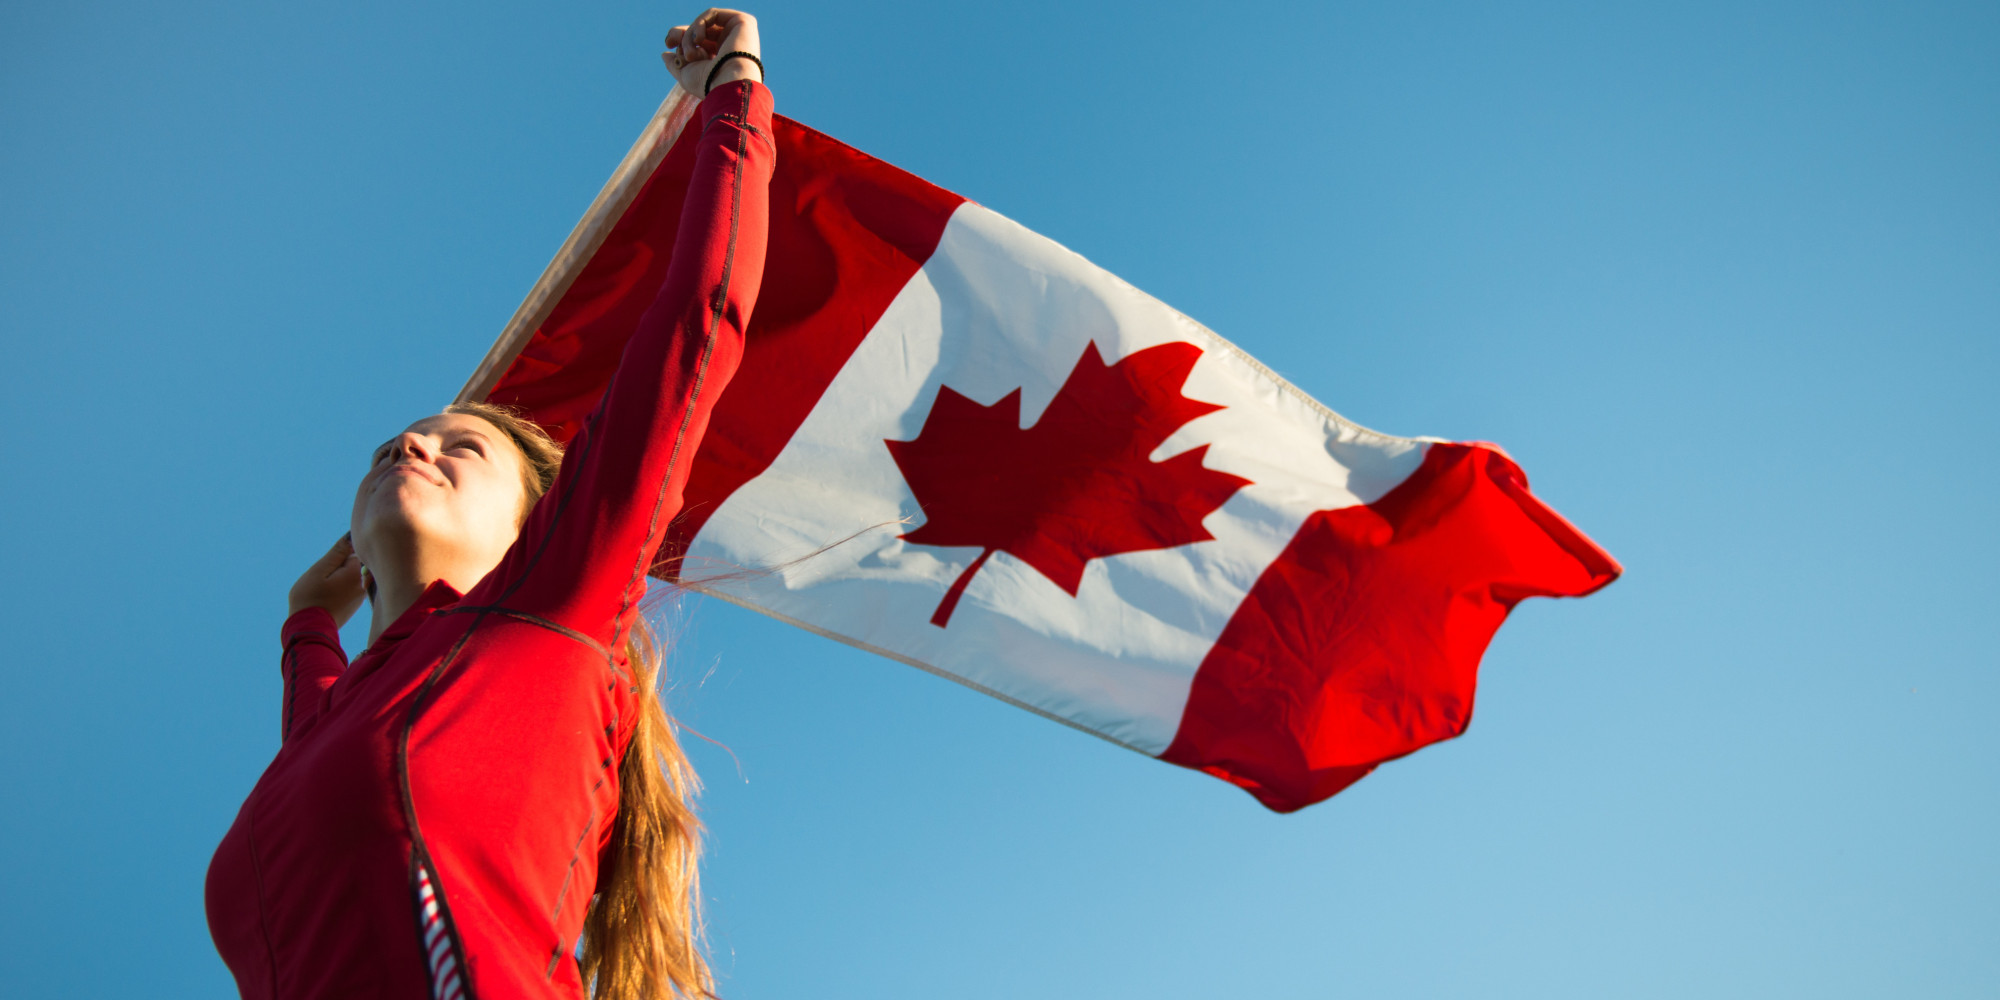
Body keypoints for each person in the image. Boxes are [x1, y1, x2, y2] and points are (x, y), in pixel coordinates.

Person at [204, 11, 772, 999]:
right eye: (396, 440)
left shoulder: (552, 606)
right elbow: (327, 738)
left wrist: (735, 88)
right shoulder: (325, 727)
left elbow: (697, 318)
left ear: (532, 525)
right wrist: (305, 620)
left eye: (460, 444)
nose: (411, 442)